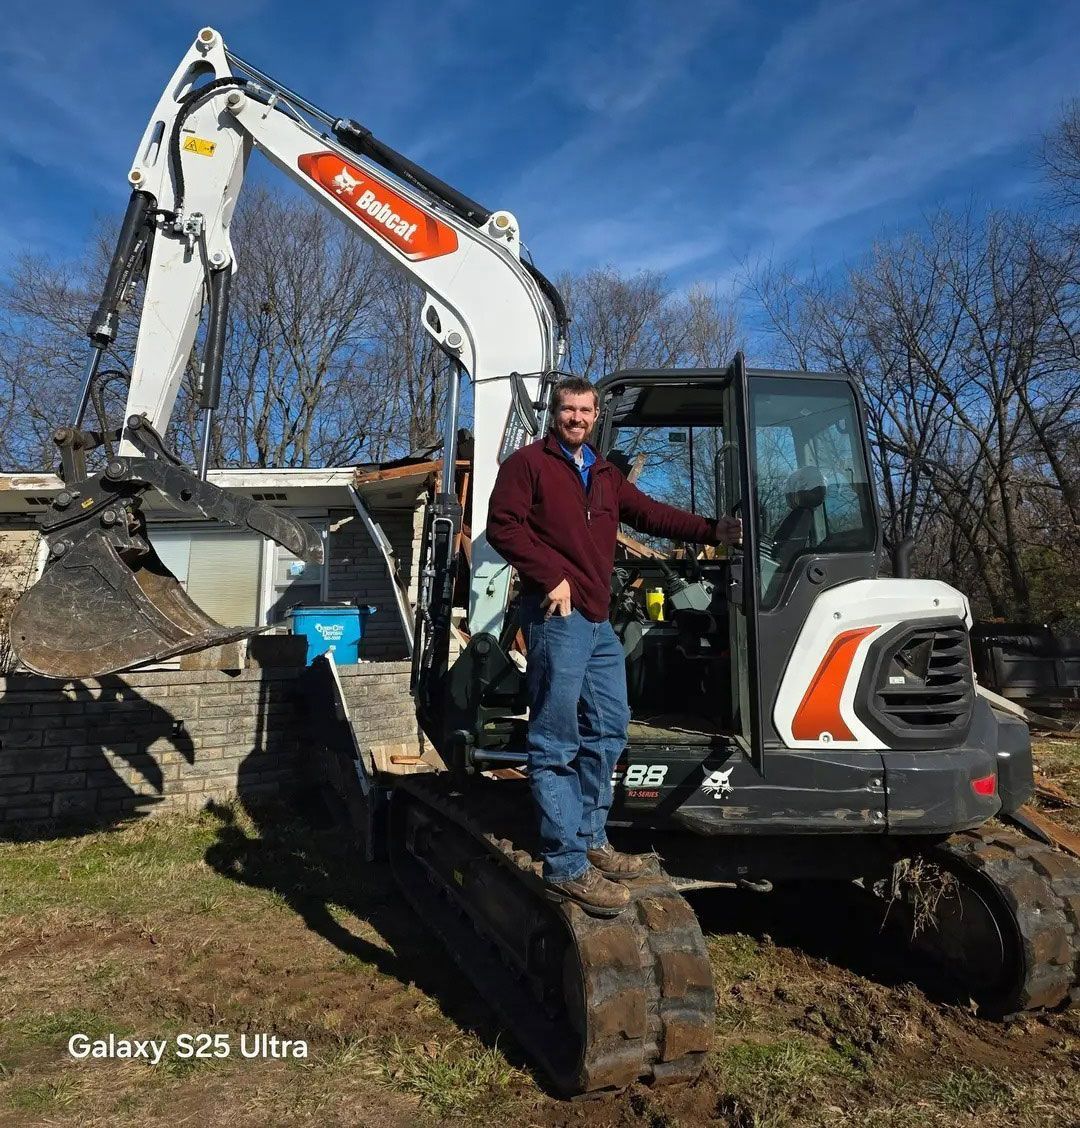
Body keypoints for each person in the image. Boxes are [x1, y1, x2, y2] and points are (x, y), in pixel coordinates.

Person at [487, 375, 741, 914]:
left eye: (584, 410)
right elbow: (503, 528)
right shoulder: (527, 466)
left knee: (608, 728)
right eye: (567, 410)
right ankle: (565, 865)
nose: (576, 418)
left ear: (596, 415)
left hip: (598, 621)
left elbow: (652, 514)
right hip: (557, 616)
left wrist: (712, 530)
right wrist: (550, 575)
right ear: (554, 414)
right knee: (555, 740)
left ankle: (591, 837)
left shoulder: (603, 473)